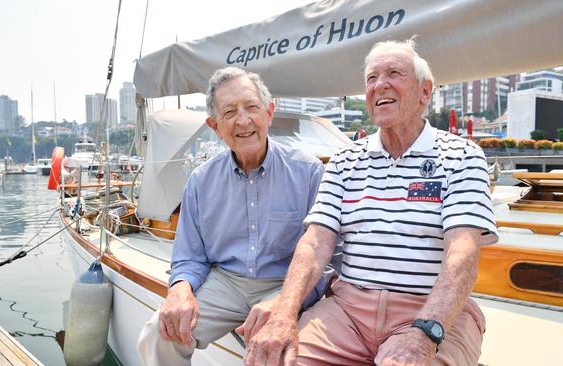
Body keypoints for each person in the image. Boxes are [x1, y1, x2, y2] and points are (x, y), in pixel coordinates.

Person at [243, 39, 498, 366]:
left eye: (394, 73)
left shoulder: (462, 156)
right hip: (348, 311)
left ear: (425, 91)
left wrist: (424, 332)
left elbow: (463, 253)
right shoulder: (345, 160)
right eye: (371, 78)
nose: (380, 84)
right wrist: (283, 311)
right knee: (279, 359)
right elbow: (316, 242)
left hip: (431, 309)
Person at [136, 66, 330, 365]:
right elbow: (189, 256)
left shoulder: (309, 173)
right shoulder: (200, 181)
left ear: (269, 112)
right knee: (159, 334)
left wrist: (285, 302)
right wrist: (179, 290)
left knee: (278, 350)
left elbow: (322, 258)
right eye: (229, 113)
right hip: (225, 282)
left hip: (286, 282)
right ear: (215, 126)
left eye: (252, 107)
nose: (243, 120)